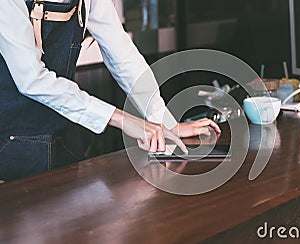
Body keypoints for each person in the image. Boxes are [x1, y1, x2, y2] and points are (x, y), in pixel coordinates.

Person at [0, 0, 220, 182]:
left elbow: (122, 56)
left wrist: (164, 123)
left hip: (65, 133)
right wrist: (123, 120)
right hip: (13, 144)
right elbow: (32, 79)